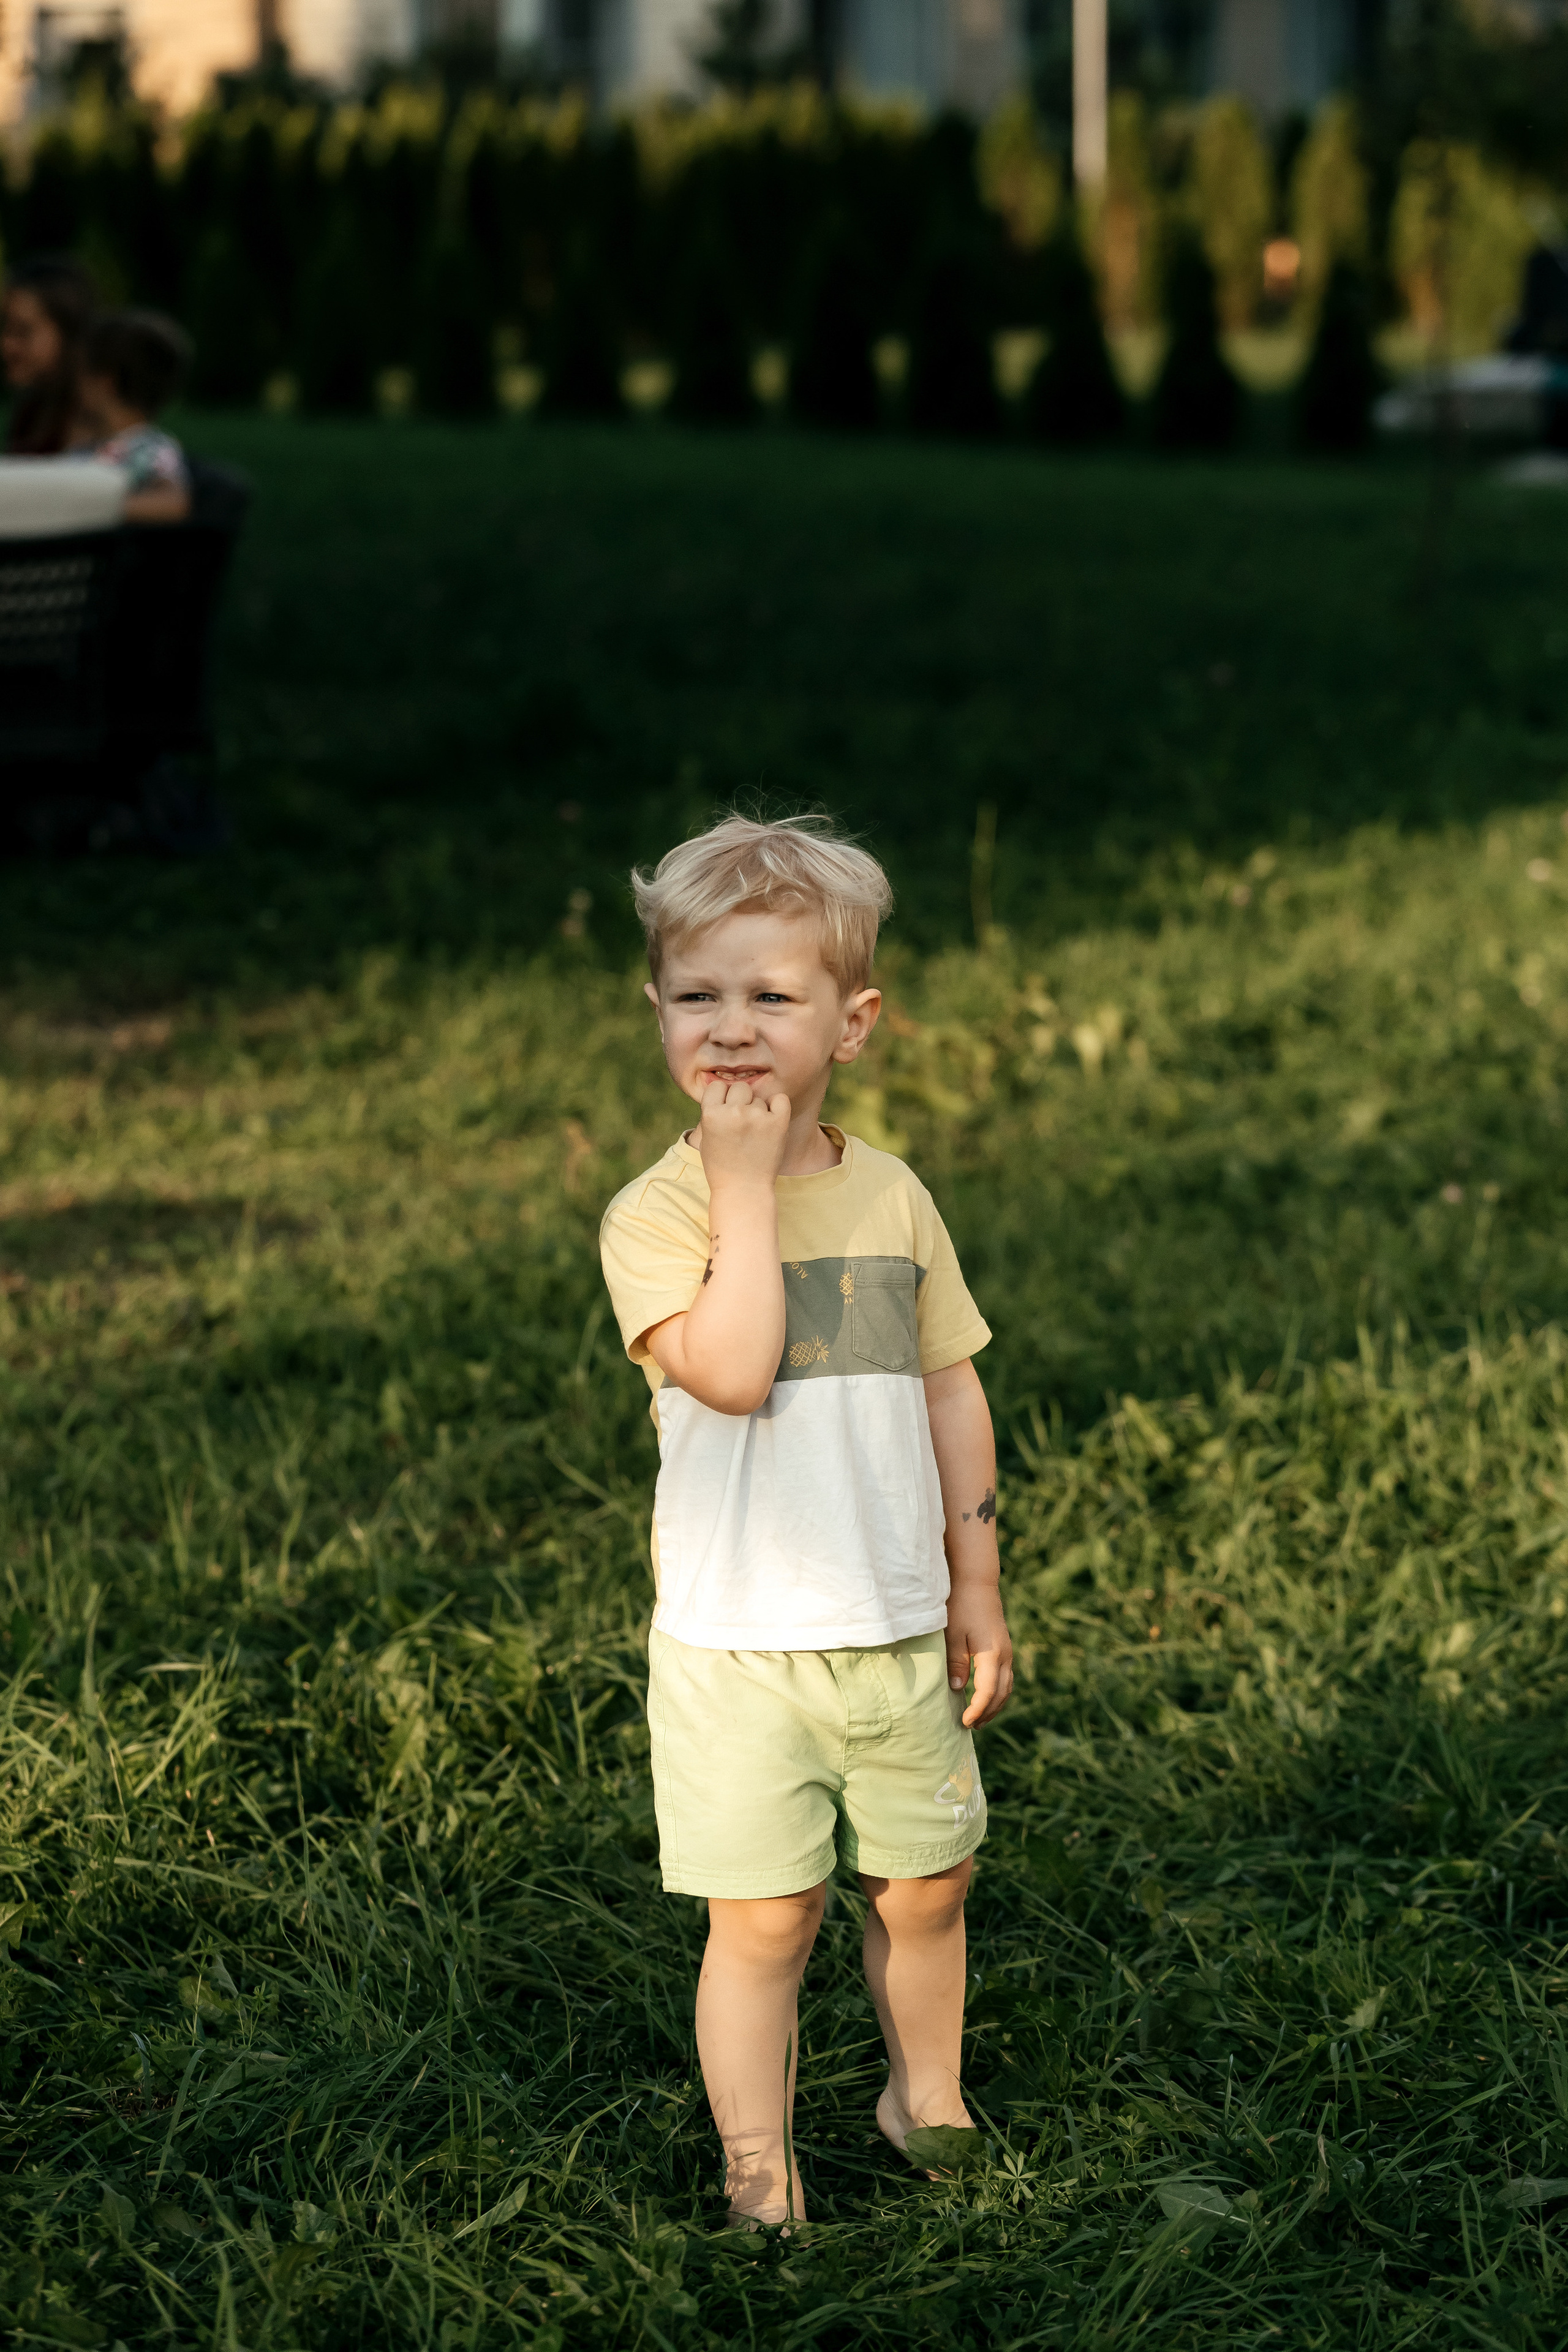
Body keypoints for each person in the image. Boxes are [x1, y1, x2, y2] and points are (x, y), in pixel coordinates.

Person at [598, 813, 1013, 2229]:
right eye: (697, 994)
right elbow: (727, 1364)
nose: (730, 1027)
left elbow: (950, 1385)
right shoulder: (658, 1212)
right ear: (655, 1008)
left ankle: (926, 2094)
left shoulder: (891, 1193)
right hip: (737, 1648)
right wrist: (738, 1189)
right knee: (764, 1916)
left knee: (924, 1884)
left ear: (851, 1021)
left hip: (893, 1619)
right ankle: (756, 2164)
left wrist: (976, 1575)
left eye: (771, 996)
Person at [78, 309, 192, 522]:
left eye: (83, 373)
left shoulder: (152, 449)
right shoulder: (89, 444)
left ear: (105, 382)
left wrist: (87, 510)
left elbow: (174, 502)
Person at [1, 254, 98, 455]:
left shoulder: (97, 419)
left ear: (68, 332)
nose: (6, 345)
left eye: (23, 331)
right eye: (5, 328)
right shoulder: (34, 412)